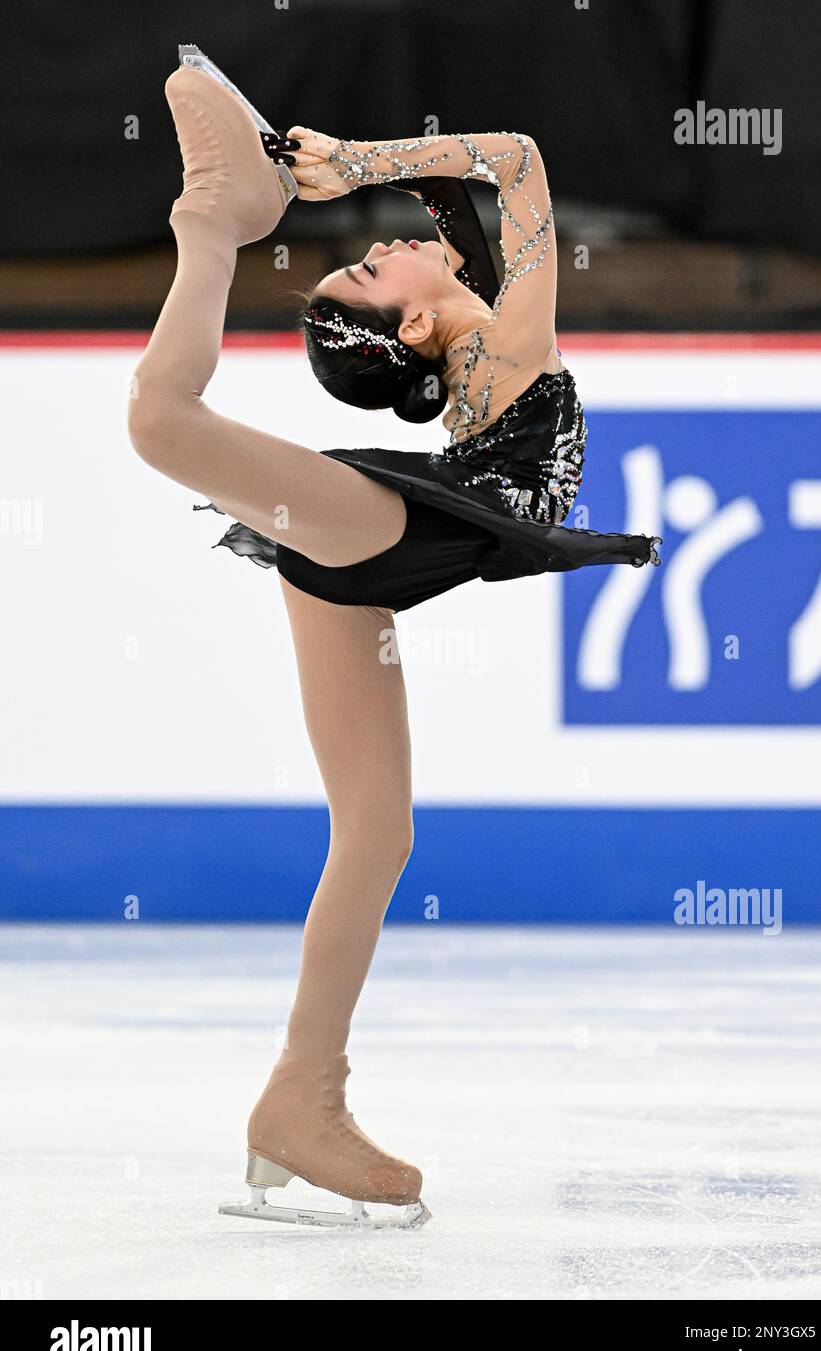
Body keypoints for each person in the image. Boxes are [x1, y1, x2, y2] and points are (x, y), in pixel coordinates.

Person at [128, 55, 661, 1228]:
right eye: (373, 265)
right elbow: (513, 160)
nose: (389, 239)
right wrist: (348, 170)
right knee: (162, 422)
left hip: (385, 543)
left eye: (374, 246)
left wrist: (343, 173)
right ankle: (210, 221)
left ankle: (298, 1099)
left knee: (377, 828)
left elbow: (478, 187)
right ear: (417, 322)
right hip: (399, 522)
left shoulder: (472, 340)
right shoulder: (501, 343)